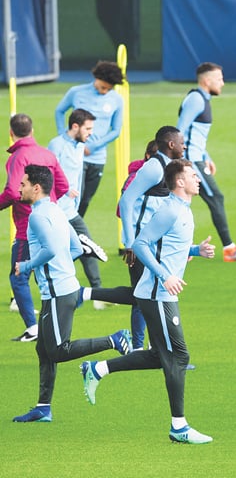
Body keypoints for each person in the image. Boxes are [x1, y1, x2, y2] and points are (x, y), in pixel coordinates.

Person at [80, 159, 215, 444]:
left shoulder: (183, 209)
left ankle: (97, 369)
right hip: (157, 293)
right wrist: (165, 276)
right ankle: (179, 427)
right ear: (180, 181)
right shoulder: (170, 210)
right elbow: (141, 244)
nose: (198, 178)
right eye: (193, 175)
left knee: (160, 356)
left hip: (162, 293)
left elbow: (168, 245)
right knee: (178, 357)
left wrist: (196, 251)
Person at [12, 165, 132, 423]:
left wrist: (27, 265)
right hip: (60, 289)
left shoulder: (36, 217)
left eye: (23, 184)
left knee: (58, 350)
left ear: (36, 187)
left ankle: (114, 340)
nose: (19, 188)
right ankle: (43, 408)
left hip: (58, 293)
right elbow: (76, 247)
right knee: (44, 350)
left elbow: (51, 249)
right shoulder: (57, 210)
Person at [177, 62, 236, 262]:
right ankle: (229, 250)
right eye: (219, 79)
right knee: (215, 198)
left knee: (184, 202)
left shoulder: (203, 99)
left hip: (197, 159)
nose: (223, 83)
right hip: (191, 161)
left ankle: (178, 247)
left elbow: (195, 135)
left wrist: (207, 157)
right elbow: (179, 132)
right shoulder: (196, 99)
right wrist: (184, 163)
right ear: (207, 80)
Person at [1, 113, 70, 342]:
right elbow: (63, 186)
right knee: (45, 274)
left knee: (19, 277)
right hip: (53, 219)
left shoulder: (18, 157)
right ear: (32, 131)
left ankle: (33, 328)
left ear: (11, 133)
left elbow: (12, 192)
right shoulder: (47, 154)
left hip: (27, 226)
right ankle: (50, 325)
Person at [118, 126, 187, 350]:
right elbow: (126, 201)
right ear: (171, 144)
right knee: (143, 298)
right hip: (141, 244)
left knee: (153, 295)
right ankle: (139, 349)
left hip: (156, 244)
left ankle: (154, 349)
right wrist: (130, 243)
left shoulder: (170, 167)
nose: (184, 146)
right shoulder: (154, 168)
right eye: (181, 142)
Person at [48, 109, 110, 310]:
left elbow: (76, 177)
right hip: (56, 212)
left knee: (87, 247)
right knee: (52, 254)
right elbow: (47, 176)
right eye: (88, 128)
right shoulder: (56, 145)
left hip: (70, 212)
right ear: (75, 126)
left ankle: (97, 294)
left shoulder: (80, 146)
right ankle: (22, 295)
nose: (91, 133)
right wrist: (65, 190)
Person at [54, 60, 124, 217]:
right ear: (97, 77)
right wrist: (63, 136)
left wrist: (93, 147)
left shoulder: (117, 100)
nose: (105, 91)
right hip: (75, 155)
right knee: (73, 197)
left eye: (109, 89)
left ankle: (73, 230)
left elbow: (116, 131)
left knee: (85, 200)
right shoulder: (76, 92)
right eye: (103, 87)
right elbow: (59, 111)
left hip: (98, 158)